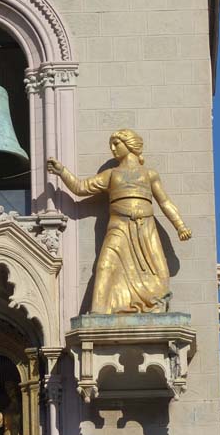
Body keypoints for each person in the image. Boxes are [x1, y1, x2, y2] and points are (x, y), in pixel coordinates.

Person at [47, 129, 192, 314]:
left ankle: (157, 305)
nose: (113, 149)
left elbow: (165, 202)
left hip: (145, 228)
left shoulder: (149, 174)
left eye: (116, 144)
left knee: (159, 269)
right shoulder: (111, 175)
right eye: (111, 145)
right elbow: (81, 187)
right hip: (119, 227)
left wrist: (180, 226)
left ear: (130, 144)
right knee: (105, 265)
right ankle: (99, 312)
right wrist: (62, 171)